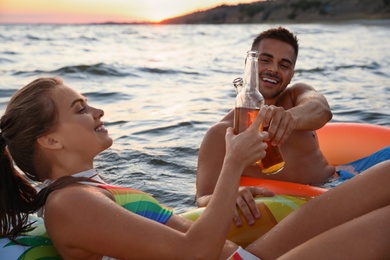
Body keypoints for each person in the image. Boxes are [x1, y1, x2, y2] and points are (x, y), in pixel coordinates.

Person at [0, 77, 389, 259]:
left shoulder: (87, 187)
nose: (98, 111)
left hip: (246, 254)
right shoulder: (68, 205)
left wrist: (227, 195)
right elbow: (194, 254)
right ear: (51, 141)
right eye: (81, 109)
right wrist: (233, 163)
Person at [196, 26, 390, 226]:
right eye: (265, 60)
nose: (273, 69)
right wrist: (229, 195)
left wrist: (289, 118)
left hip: (346, 173)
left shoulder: (296, 97)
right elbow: (203, 197)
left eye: (284, 65)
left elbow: (321, 109)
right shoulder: (221, 134)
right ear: (249, 64)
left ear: (291, 74)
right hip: (314, 199)